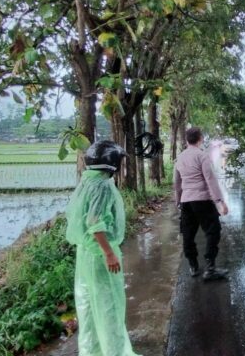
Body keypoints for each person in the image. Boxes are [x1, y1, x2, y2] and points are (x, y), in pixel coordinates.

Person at [65, 140, 140, 356]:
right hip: (100, 254)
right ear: (112, 164)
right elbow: (95, 222)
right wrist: (109, 253)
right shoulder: (103, 186)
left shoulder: (87, 181)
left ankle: (92, 352)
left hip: (85, 253)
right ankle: (115, 352)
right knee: (109, 308)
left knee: (87, 307)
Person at [174, 127, 229, 281]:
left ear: (186, 140)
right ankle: (210, 267)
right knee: (213, 230)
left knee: (188, 234)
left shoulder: (180, 157)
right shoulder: (202, 156)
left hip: (186, 201)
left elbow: (177, 183)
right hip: (202, 200)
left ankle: (193, 265)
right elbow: (210, 179)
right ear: (200, 139)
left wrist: (178, 201)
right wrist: (219, 201)